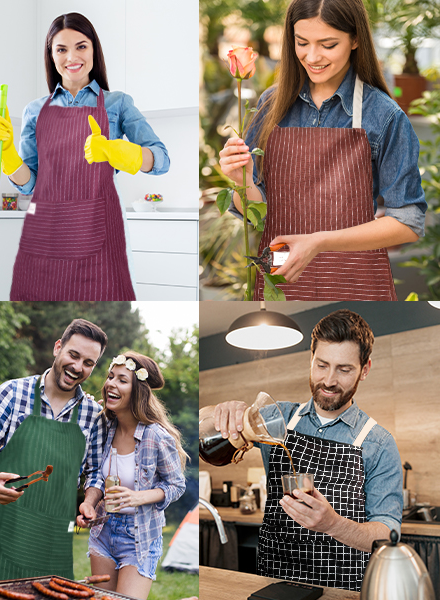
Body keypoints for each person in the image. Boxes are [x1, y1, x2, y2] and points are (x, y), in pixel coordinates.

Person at [218, 0, 425, 300]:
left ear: (355, 39)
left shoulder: (384, 115)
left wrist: (318, 242)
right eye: (302, 42)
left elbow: (408, 221)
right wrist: (242, 180)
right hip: (283, 281)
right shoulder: (271, 105)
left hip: (355, 282)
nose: (312, 56)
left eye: (328, 45)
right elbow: (258, 216)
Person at [213, 309, 402, 591]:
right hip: (273, 582)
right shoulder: (276, 419)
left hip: (341, 589)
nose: (328, 380)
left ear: (365, 369)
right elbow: (209, 442)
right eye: (321, 365)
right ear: (310, 359)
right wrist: (225, 413)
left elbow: (388, 533)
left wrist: (333, 524)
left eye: (344, 369)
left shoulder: (379, 443)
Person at [0, 13, 169, 300]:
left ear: (94, 49)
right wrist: (7, 153)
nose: (72, 56)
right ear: (51, 55)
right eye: (61, 49)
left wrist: (124, 153)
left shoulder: (117, 103)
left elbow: (161, 159)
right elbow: (30, 184)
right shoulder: (34, 110)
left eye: (81, 46)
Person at [0, 318, 108, 581]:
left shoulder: (94, 415)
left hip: (54, 534)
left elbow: (96, 471)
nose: (77, 367)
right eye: (73, 355)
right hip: (4, 521)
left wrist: (89, 503)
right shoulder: (12, 392)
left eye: (88, 363)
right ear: (57, 348)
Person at [78, 352, 186, 599]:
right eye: (110, 377)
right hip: (103, 531)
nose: (111, 384)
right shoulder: (103, 427)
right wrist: (89, 503)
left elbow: (176, 485)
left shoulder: (157, 436)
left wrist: (139, 497)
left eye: (122, 380)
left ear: (138, 390)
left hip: (140, 537)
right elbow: (96, 474)